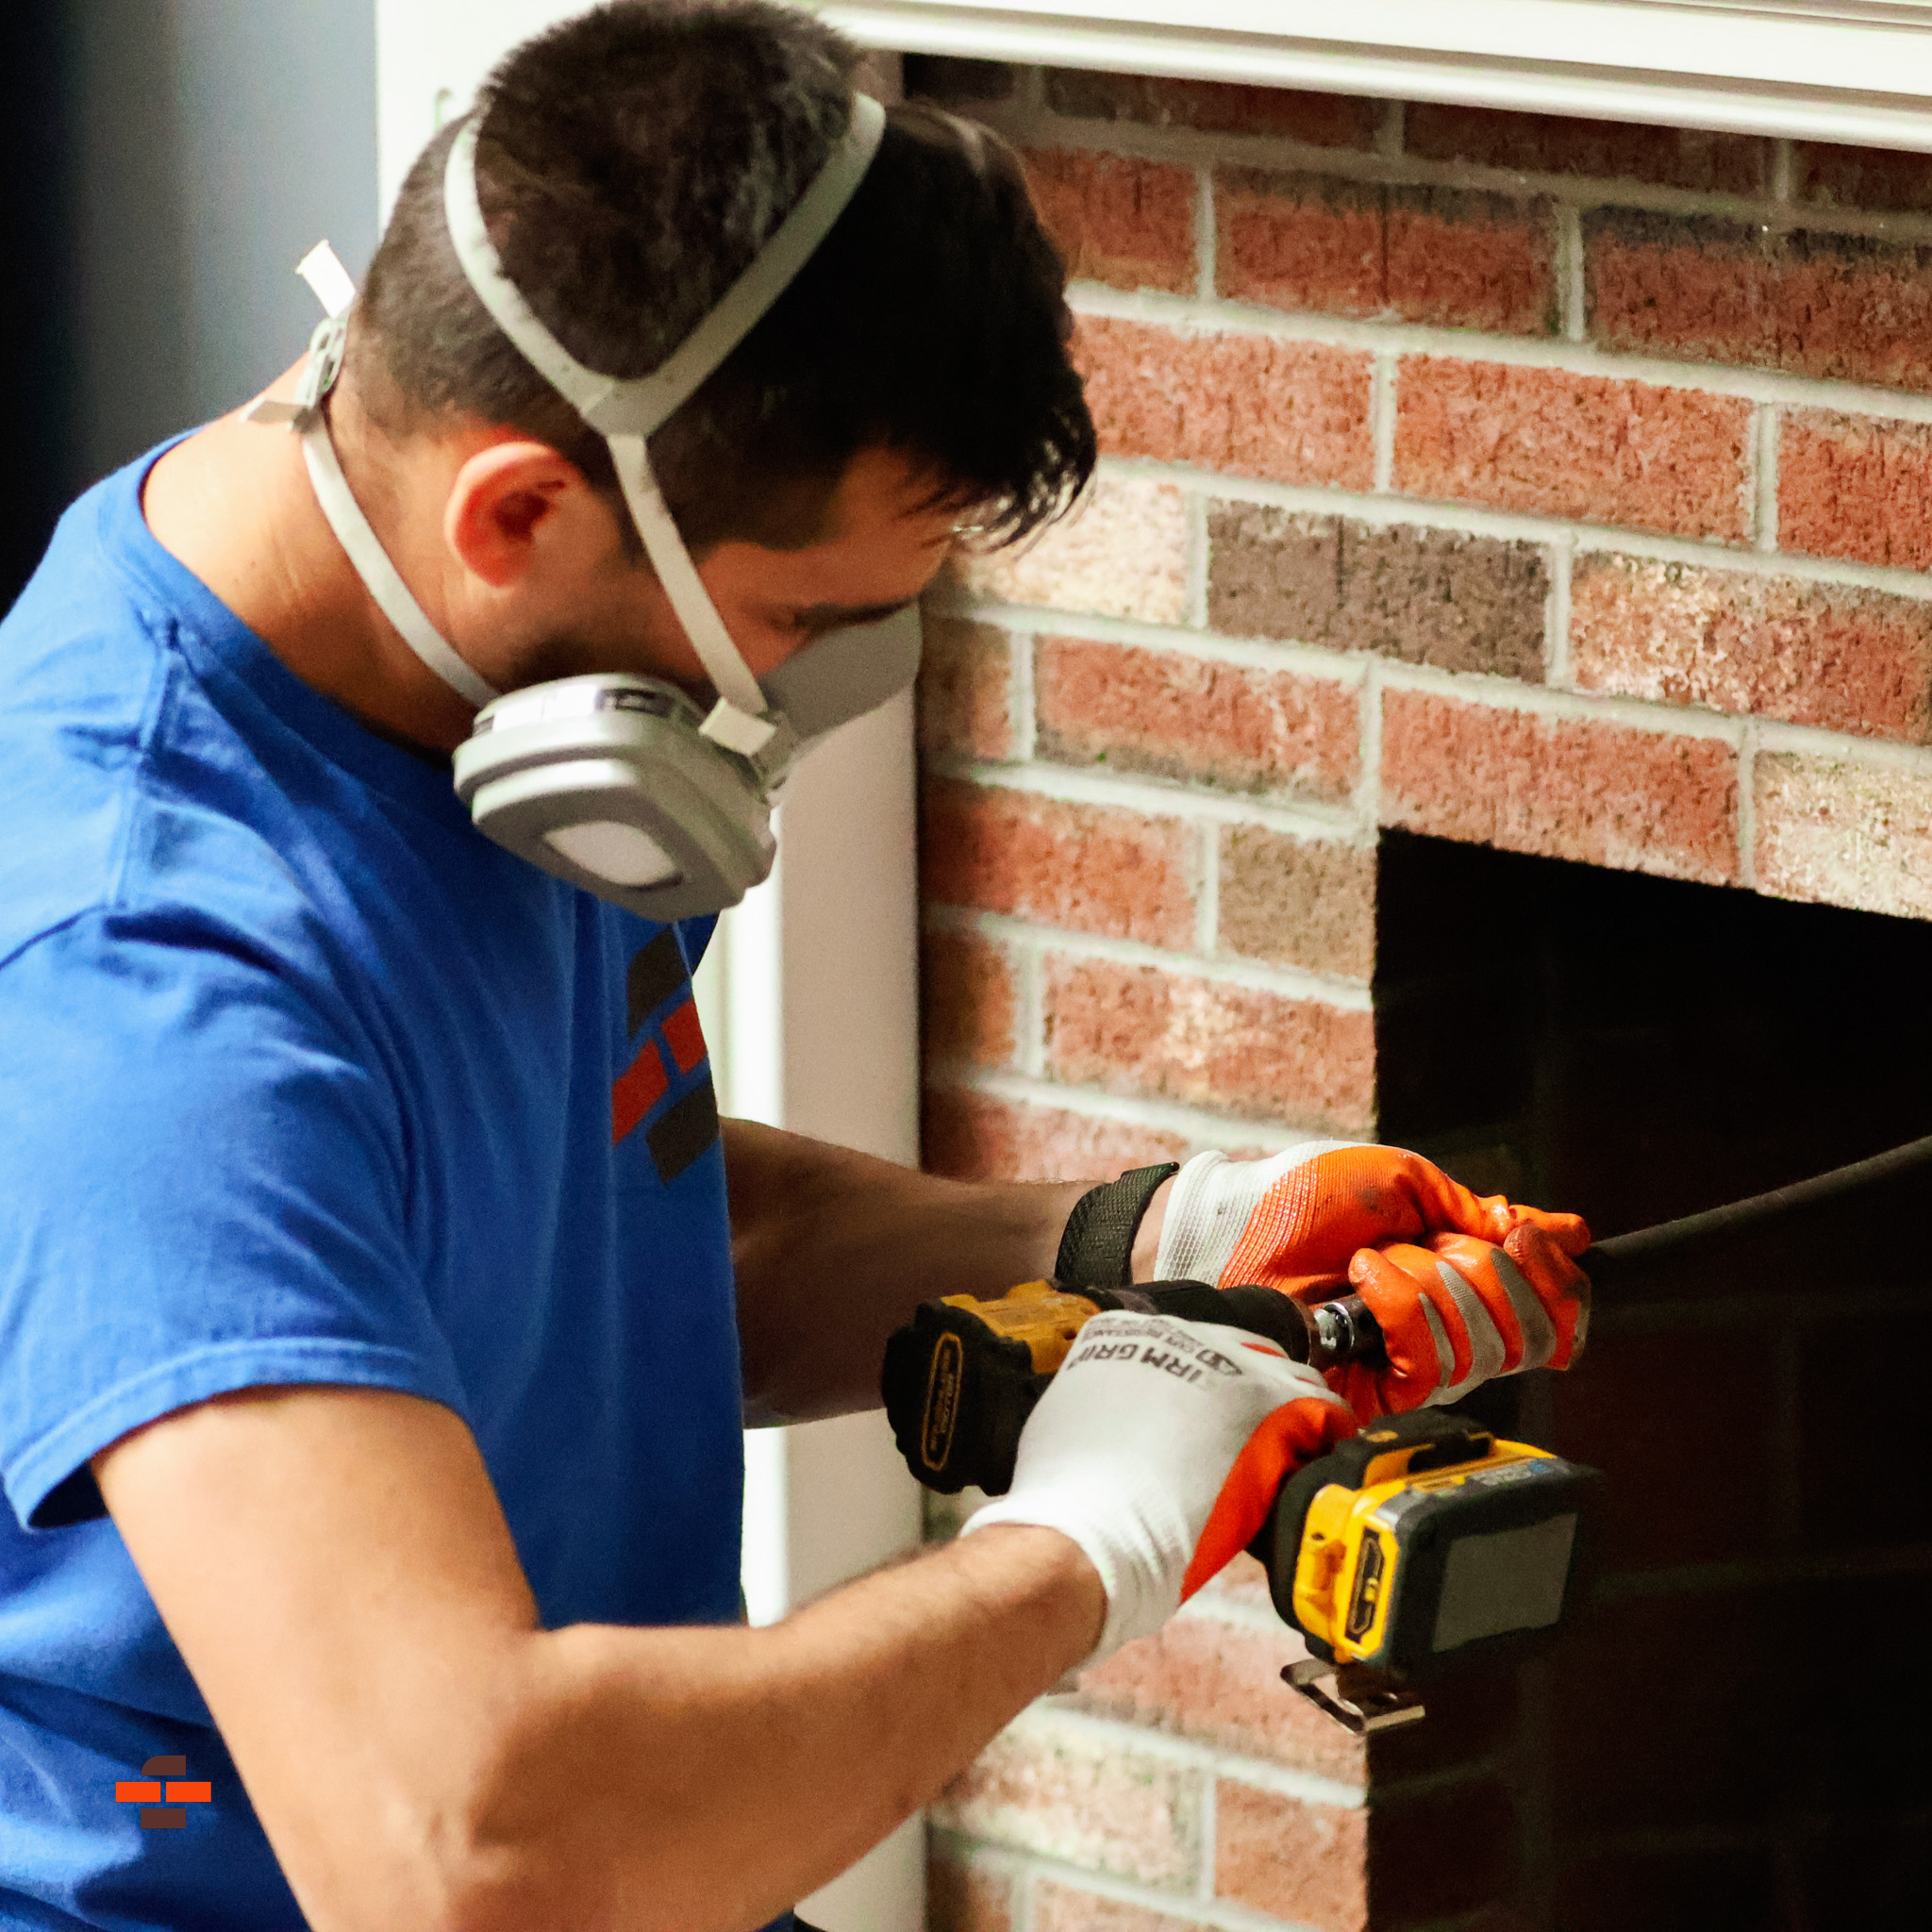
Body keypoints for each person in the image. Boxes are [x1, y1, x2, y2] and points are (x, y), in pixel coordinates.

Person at [0, 5, 1591, 1928]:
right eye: (794, 624)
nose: (794, 704)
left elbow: (611, 1235)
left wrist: (1134, 1244)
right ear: (518, 511)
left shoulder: (481, 674)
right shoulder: (144, 979)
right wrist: (1081, 1545)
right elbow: (462, 1852)